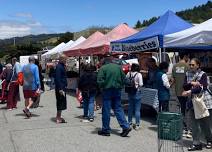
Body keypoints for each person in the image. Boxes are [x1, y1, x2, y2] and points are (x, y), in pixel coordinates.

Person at [97, 56, 131, 137]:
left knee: (106, 110)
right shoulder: (118, 67)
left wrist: (103, 86)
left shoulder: (103, 68)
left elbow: (99, 81)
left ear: (105, 62)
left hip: (107, 90)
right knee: (118, 108)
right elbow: (125, 79)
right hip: (117, 90)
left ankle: (105, 130)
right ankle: (125, 126)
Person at [182, 58, 212, 151]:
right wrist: (192, 83)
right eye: (190, 64)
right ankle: (196, 143)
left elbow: (202, 88)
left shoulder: (203, 74)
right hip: (192, 102)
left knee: (205, 124)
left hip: (203, 102)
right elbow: (184, 85)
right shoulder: (187, 74)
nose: (191, 66)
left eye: (193, 65)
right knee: (194, 124)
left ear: (198, 65)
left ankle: (209, 141)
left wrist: (190, 90)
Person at [171, 52, 191, 137]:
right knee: (188, 110)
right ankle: (188, 129)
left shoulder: (175, 66)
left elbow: (172, 79)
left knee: (182, 109)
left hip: (178, 92)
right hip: (187, 92)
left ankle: (183, 128)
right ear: (185, 56)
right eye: (188, 57)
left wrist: (169, 86)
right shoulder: (188, 66)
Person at [126, 63, 143, 130]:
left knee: (130, 108)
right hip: (137, 92)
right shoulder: (139, 74)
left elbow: (126, 81)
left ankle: (129, 123)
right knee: (137, 109)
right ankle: (137, 124)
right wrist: (137, 84)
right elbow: (141, 84)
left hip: (130, 92)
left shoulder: (128, 73)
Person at [54, 54, 68, 123]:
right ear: (62, 59)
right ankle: (58, 118)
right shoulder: (59, 67)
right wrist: (60, 89)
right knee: (60, 102)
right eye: (65, 59)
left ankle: (58, 116)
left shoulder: (61, 66)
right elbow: (57, 78)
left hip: (62, 87)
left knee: (61, 102)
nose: (66, 61)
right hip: (60, 88)